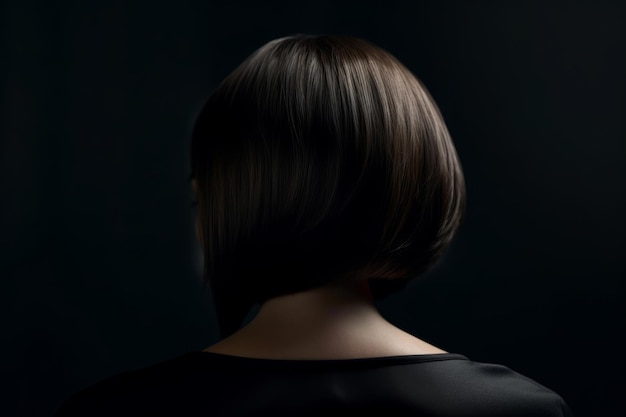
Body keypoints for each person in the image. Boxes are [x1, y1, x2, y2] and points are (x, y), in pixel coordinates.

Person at [53, 34, 573, 416]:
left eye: (199, 202)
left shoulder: (113, 411)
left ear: (228, 208)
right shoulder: (522, 411)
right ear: (421, 184)